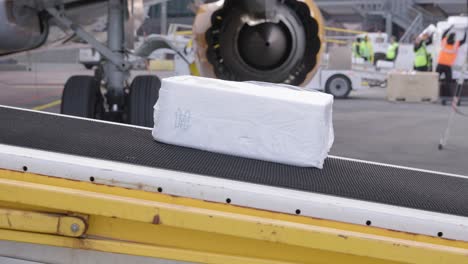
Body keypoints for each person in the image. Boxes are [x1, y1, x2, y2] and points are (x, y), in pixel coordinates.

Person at [436, 25, 467, 96]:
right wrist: (465, 31)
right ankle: (448, 95)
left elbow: (443, 34)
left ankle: (434, 93)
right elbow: (464, 40)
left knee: (435, 80)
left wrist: (449, 28)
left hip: (440, 64)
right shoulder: (456, 44)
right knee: (448, 82)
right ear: (454, 39)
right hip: (447, 66)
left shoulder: (444, 41)